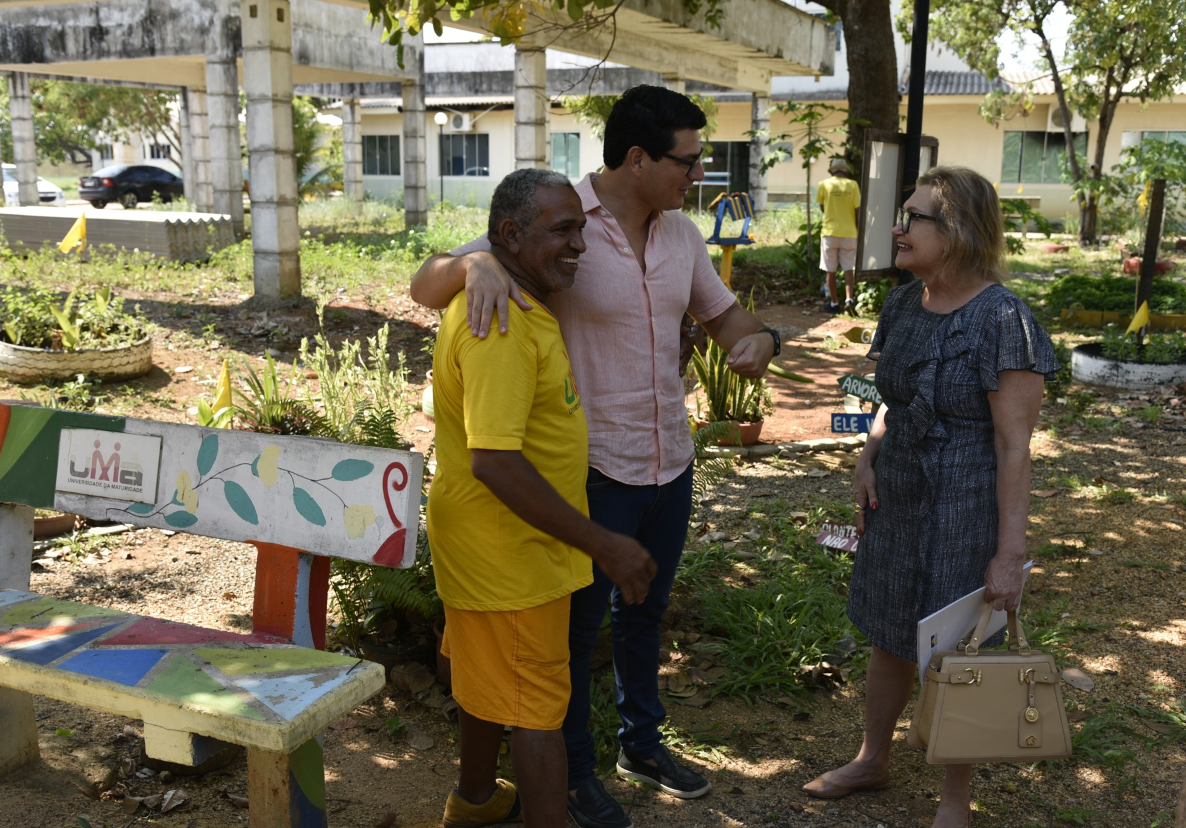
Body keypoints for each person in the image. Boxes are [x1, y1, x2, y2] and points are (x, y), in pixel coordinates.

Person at [411, 85, 779, 828]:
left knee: (647, 612)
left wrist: (759, 343)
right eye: (689, 160)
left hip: (666, 458)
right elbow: (429, 282)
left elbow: (726, 316)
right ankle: (573, 773)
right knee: (570, 640)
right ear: (639, 159)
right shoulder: (559, 216)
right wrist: (469, 269)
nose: (698, 175)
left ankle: (640, 743)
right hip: (590, 473)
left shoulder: (679, 236)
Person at [801, 165, 1058, 828]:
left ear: (957, 231)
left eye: (912, 216)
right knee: (889, 636)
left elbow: (1013, 448)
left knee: (953, 650)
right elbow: (891, 399)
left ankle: (953, 800)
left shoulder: (1005, 319)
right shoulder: (901, 303)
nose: (895, 227)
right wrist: (867, 455)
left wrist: (1009, 554)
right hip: (899, 499)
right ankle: (872, 759)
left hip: (964, 511)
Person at [428, 168, 657, 828]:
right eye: (562, 230)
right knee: (537, 712)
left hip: (484, 542)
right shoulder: (500, 322)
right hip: (512, 554)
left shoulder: (514, 302)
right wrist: (604, 543)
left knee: (486, 679)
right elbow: (497, 461)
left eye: (581, 229)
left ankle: (473, 801)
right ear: (510, 235)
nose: (579, 245)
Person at [818, 157, 861, 315]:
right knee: (849, 268)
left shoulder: (824, 184)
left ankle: (834, 303)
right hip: (849, 232)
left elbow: (823, 207)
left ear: (833, 171)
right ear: (845, 171)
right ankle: (849, 300)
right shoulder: (853, 185)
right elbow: (858, 211)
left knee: (831, 270)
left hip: (829, 232)